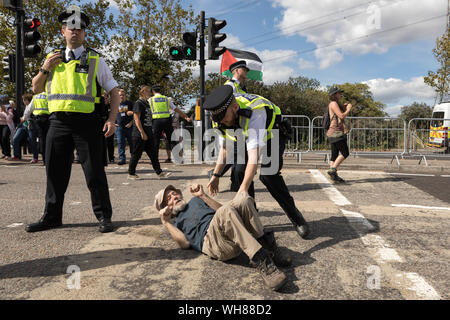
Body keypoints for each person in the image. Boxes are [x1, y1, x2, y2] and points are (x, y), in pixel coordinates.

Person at [26, 5, 119, 233]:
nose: (75, 32)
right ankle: (51, 217)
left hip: (86, 123)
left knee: (94, 172)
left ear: (84, 33)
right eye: (71, 28)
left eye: (80, 29)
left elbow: (114, 91)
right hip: (57, 123)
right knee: (54, 173)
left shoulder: (96, 59)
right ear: (63, 31)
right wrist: (45, 68)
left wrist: (111, 119)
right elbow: (35, 88)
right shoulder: (51, 58)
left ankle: (104, 217)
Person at [204, 85, 310, 239]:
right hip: (246, 136)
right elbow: (225, 149)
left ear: (235, 107)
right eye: (218, 119)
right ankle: (251, 220)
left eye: (224, 118)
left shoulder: (255, 113)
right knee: (239, 171)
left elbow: (253, 158)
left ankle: (296, 218)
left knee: (269, 175)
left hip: (273, 133)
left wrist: (243, 189)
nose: (223, 122)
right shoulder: (220, 118)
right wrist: (216, 175)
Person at [155, 183, 291, 291]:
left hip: (227, 227)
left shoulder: (196, 200)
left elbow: (224, 210)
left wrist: (203, 196)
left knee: (243, 199)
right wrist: (166, 222)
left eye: (174, 193)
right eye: (169, 199)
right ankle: (263, 262)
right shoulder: (176, 222)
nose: (175, 197)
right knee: (224, 211)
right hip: (214, 243)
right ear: (166, 208)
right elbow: (184, 244)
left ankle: (269, 249)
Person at [127, 85, 171, 179]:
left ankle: (159, 172)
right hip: (140, 134)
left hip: (148, 132)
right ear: (142, 92)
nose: (149, 92)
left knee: (153, 153)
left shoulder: (147, 103)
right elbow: (137, 119)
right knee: (136, 154)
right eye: (147, 91)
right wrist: (142, 132)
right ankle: (131, 173)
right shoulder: (138, 103)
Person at [149, 85, 191, 165]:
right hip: (167, 121)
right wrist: (185, 117)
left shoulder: (150, 100)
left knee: (155, 141)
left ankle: (154, 160)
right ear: (160, 91)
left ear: (153, 91)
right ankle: (178, 159)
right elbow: (176, 109)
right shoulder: (166, 99)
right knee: (172, 140)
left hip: (156, 121)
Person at [326, 86, 352, 183]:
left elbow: (339, 116)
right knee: (345, 153)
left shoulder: (335, 104)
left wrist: (343, 107)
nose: (340, 94)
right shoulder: (333, 103)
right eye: (338, 93)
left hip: (332, 133)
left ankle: (333, 177)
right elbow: (341, 116)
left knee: (334, 155)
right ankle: (333, 170)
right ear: (334, 94)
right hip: (336, 132)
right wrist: (348, 109)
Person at [11, 93, 39, 162]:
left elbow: (28, 115)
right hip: (23, 125)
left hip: (30, 125)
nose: (23, 101)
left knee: (32, 140)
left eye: (24, 99)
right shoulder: (24, 107)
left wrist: (23, 118)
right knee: (15, 138)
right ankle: (16, 155)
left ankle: (35, 157)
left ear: (27, 100)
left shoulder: (32, 106)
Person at [30, 92, 50, 163]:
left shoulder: (35, 96)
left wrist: (24, 118)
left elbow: (30, 108)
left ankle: (44, 159)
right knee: (49, 138)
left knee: (42, 139)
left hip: (39, 119)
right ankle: (50, 157)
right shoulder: (49, 94)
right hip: (49, 119)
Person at [116, 88, 134, 165]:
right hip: (119, 128)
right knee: (120, 143)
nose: (121, 96)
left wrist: (131, 122)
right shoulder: (115, 104)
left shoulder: (130, 103)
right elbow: (111, 114)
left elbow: (137, 114)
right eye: (120, 95)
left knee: (132, 143)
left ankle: (134, 158)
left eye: (123, 95)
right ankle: (122, 159)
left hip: (129, 127)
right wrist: (114, 123)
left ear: (125, 96)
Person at [104, 91, 116, 164]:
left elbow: (115, 115)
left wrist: (115, 123)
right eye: (103, 98)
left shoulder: (110, 106)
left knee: (110, 143)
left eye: (106, 98)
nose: (105, 99)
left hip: (110, 127)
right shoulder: (99, 106)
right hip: (101, 127)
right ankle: (103, 158)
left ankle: (111, 158)